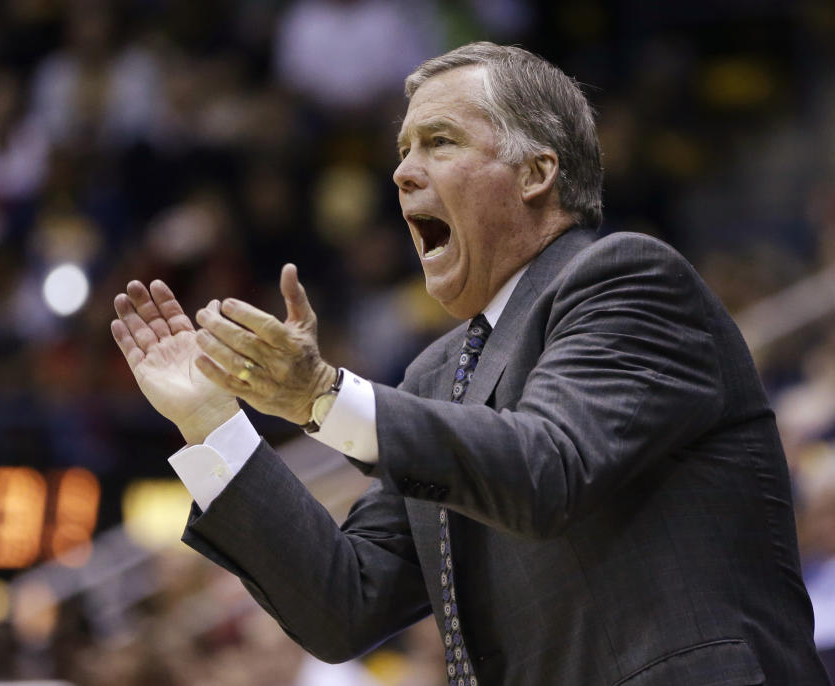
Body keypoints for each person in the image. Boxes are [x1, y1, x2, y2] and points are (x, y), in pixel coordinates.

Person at [111, 42, 831, 685]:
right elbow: (344, 607)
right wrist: (209, 420)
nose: (401, 173)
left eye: (440, 142)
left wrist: (322, 397)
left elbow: (548, 467)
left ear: (537, 172)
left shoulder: (628, 280)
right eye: (401, 149)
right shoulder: (434, 376)